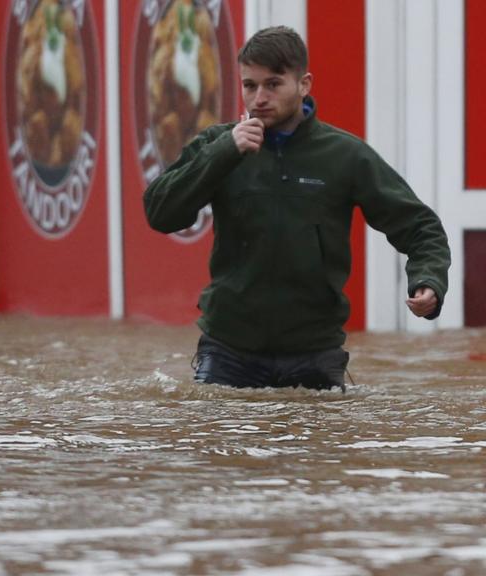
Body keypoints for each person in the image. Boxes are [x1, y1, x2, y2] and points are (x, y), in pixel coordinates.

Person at [144, 26, 450, 392]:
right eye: (249, 85)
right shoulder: (218, 146)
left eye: (272, 84)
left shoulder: (345, 155)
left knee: (318, 449)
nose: (258, 98)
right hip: (228, 351)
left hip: (314, 352)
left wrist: (428, 281)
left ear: (303, 84)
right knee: (224, 447)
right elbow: (160, 212)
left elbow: (419, 227)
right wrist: (224, 152)